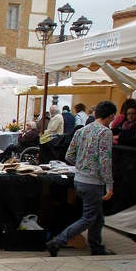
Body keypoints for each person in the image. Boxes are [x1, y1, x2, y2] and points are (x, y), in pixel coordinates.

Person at [46, 100, 117, 257]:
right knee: (89, 217)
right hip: (93, 181)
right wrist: (109, 184)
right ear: (111, 115)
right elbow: (105, 160)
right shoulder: (105, 133)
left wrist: (82, 164)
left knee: (97, 218)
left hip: (79, 179)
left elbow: (69, 155)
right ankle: (57, 241)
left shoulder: (81, 131)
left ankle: (97, 247)